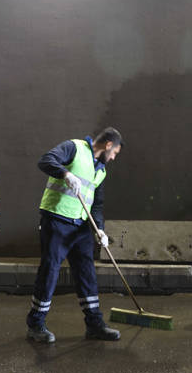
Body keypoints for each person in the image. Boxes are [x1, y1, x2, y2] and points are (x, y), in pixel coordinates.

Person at [26, 127, 124, 344]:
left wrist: (100, 229)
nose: (114, 157)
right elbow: (45, 160)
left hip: (81, 226)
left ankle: (94, 324)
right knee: (50, 271)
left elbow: (96, 205)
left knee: (87, 273)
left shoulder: (101, 171)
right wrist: (65, 173)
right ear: (108, 145)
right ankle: (35, 324)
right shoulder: (74, 148)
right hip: (56, 220)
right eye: (115, 152)